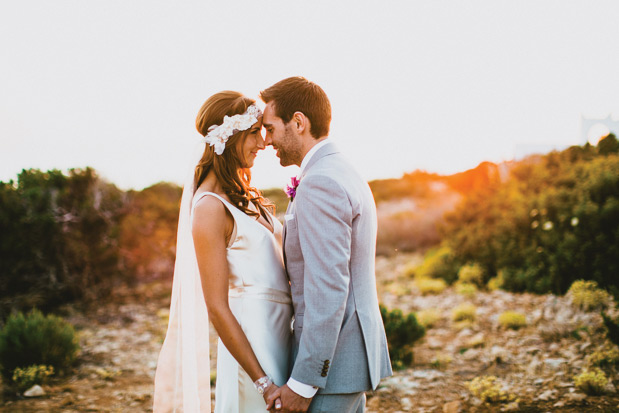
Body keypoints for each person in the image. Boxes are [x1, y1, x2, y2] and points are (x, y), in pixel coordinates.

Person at [153, 91, 292, 412]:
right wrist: (263, 382)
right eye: (254, 133)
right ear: (230, 137)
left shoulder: (245, 197)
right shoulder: (209, 208)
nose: (263, 143)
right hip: (252, 347)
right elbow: (216, 307)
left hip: (284, 335)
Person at [260, 77, 393, 413]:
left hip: (328, 370)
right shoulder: (340, 169)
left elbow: (329, 287)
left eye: (270, 127)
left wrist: (304, 383)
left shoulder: (320, 181)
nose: (266, 140)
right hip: (342, 362)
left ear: (299, 122)